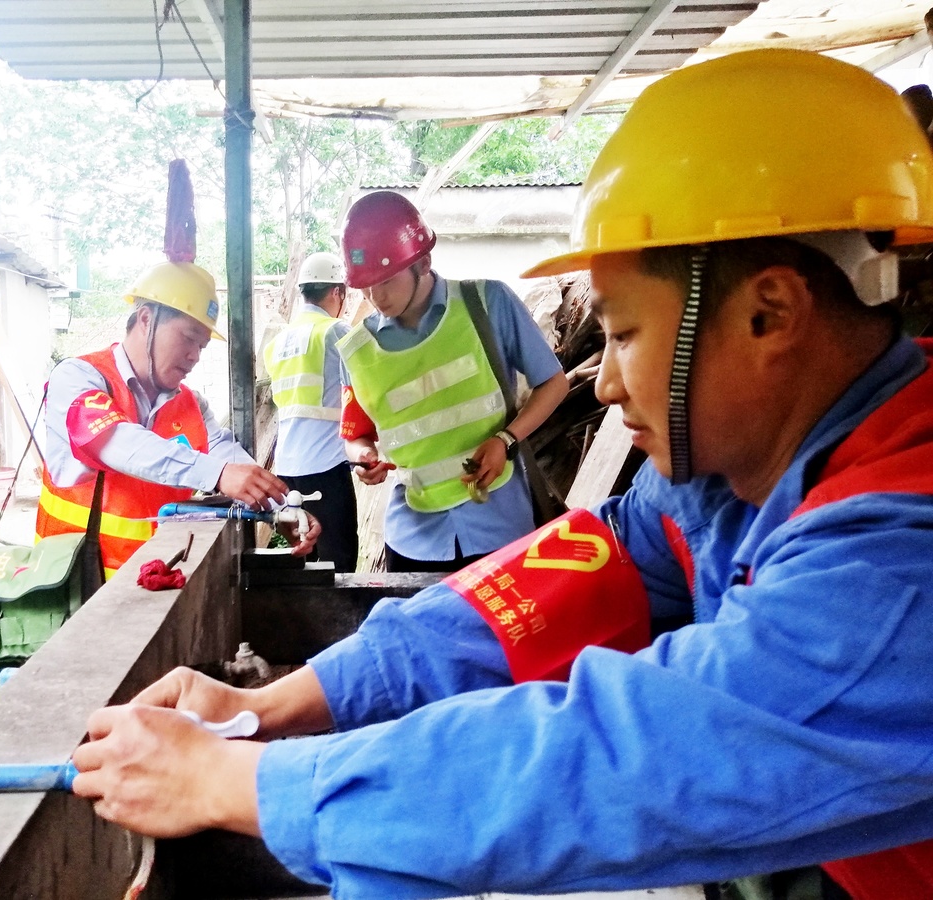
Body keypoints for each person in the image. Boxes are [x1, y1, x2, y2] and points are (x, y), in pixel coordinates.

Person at [70, 50, 933, 899]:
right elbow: (540, 592)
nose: (605, 383)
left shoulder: (897, 570)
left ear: (769, 314)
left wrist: (239, 783)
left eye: (625, 335)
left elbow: (605, 758)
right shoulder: (725, 480)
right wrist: (271, 707)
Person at [36, 260, 318, 578]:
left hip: (158, 583)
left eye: (201, 346)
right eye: (188, 338)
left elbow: (227, 457)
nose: (194, 355)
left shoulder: (190, 405)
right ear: (146, 319)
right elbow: (118, 442)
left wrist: (285, 509)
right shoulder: (77, 378)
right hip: (76, 589)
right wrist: (216, 473)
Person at [337, 190, 569, 572]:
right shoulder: (356, 352)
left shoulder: (487, 303)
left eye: (387, 280)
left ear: (423, 262)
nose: (376, 296)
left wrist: (506, 439)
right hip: (413, 539)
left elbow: (554, 384)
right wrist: (363, 457)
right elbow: (356, 435)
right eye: (365, 286)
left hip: (499, 525)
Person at [263, 251, 358, 572]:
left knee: (304, 561)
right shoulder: (334, 331)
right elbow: (363, 391)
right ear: (337, 292)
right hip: (325, 467)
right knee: (339, 565)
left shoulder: (276, 344)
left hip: (287, 469)